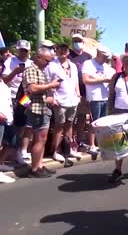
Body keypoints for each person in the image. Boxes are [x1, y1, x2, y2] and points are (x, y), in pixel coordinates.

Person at [22, 48, 61, 178]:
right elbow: (32, 88)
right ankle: (34, 169)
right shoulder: (31, 70)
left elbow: (41, 92)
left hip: (43, 108)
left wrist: (50, 96)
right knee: (39, 140)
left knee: (42, 140)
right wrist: (51, 85)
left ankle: (39, 165)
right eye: (46, 60)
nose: (48, 63)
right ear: (38, 57)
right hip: (36, 109)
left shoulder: (40, 70)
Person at [106, 50, 128, 183]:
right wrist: (109, 114)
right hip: (118, 112)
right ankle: (118, 170)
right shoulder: (116, 77)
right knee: (119, 143)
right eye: (126, 60)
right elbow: (111, 96)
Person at [47, 43, 82, 163]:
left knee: (70, 124)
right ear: (56, 51)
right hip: (59, 100)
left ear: (68, 51)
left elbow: (76, 81)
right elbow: (48, 82)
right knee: (58, 126)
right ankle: (56, 151)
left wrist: (78, 94)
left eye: (65, 49)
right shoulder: (51, 65)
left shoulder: (73, 65)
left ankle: (69, 148)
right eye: (61, 49)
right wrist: (52, 97)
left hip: (72, 100)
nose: (63, 51)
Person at [82, 46, 115, 155]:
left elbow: (111, 81)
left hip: (105, 97)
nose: (105, 58)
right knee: (94, 122)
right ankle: (92, 144)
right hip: (94, 97)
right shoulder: (88, 64)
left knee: (102, 122)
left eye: (107, 57)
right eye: (104, 56)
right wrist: (102, 79)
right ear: (98, 53)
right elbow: (86, 80)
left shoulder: (107, 67)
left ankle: (101, 143)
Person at [69, 34, 92, 151]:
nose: (77, 43)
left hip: (85, 92)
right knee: (71, 119)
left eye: (79, 41)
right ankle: (71, 142)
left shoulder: (88, 57)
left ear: (83, 43)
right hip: (71, 93)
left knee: (82, 118)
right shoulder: (68, 55)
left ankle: (79, 141)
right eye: (75, 41)